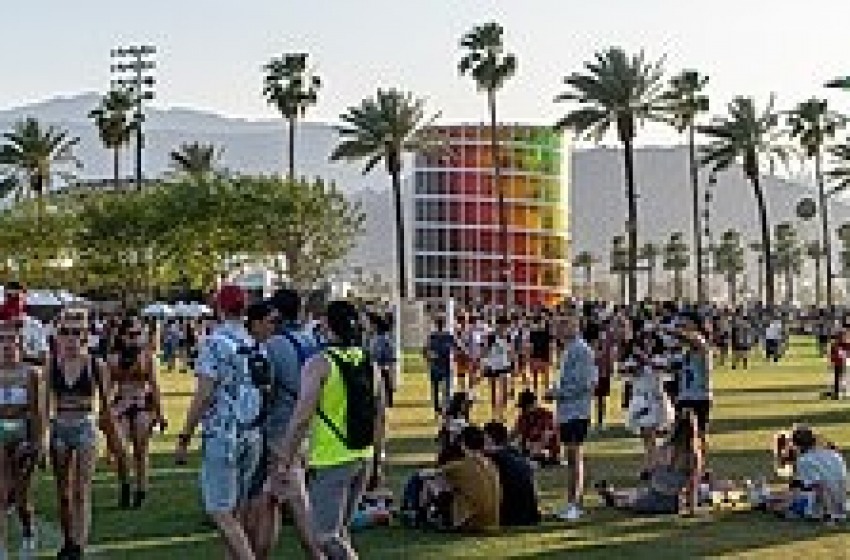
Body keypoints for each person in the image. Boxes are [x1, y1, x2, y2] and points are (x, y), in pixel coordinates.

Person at [268, 300, 382, 560]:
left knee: (324, 536)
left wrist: (285, 459)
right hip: (362, 455)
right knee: (340, 531)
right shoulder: (368, 362)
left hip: (332, 459)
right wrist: (378, 459)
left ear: (327, 325)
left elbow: (301, 417)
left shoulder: (320, 364)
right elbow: (379, 415)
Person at [175, 285, 265, 560]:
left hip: (223, 433)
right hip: (252, 431)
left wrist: (185, 435)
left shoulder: (214, 342)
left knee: (219, 510)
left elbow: (204, 393)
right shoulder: (255, 344)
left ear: (220, 308)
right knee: (236, 510)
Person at [242, 293, 323, 560]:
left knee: (297, 502)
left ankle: (319, 553)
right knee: (270, 500)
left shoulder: (274, 345)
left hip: (281, 431)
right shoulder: (310, 340)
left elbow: (266, 388)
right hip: (308, 428)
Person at [50, 313, 114, 560]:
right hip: (60, 427)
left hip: (85, 426)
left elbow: (107, 408)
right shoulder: (52, 365)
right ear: (58, 336)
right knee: (63, 492)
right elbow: (44, 405)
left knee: (82, 489)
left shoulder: (96, 365)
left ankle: (79, 545)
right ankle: (68, 540)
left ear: (85, 336)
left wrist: (112, 445)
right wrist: (42, 436)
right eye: (65, 332)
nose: (70, 338)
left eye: (76, 332)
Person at [106, 318, 166, 509]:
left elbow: (154, 386)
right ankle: (125, 485)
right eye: (132, 335)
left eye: (140, 334)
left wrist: (160, 413)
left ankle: (141, 490)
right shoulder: (113, 358)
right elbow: (108, 388)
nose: (136, 338)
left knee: (141, 450)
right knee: (121, 450)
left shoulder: (147, 357)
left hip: (142, 404)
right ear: (123, 336)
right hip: (121, 405)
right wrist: (106, 412)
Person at [597, 410, 702, 516]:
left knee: (633, 501)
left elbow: (651, 470)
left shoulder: (670, 450)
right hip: (667, 498)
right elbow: (692, 484)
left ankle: (612, 496)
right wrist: (691, 508)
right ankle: (612, 494)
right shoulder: (689, 454)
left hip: (663, 498)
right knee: (636, 495)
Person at [0, 320, 46, 558]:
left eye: (11, 340)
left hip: (23, 433)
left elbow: (38, 412)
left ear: (20, 344)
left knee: (21, 497)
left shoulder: (31, 373)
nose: (6, 345)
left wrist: (37, 443)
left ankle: (28, 534)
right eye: (1, 340)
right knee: (1, 492)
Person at [549, 314, 597, 521]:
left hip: (577, 411)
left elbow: (584, 384)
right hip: (568, 411)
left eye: (563, 324)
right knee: (571, 458)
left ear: (575, 327)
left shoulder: (581, 350)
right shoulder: (569, 350)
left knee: (574, 457)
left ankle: (575, 504)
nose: (558, 329)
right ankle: (571, 502)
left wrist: (557, 394)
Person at [768, 425, 848, 521]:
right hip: (841, 502)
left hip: (824, 505)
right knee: (782, 498)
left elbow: (820, 487)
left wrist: (830, 514)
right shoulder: (834, 454)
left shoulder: (804, 461)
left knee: (779, 505)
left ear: (794, 445)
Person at [438, 425, 501, 532]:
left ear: (462, 444)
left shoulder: (460, 465)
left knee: (435, 484)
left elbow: (428, 475)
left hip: (471, 523)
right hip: (493, 521)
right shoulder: (491, 464)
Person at [482, 422, 540, 526]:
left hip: (510, 517)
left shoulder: (491, 458)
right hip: (530, 515)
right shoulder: (515, 454)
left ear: (489, 438)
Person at [676, 314, 713, 454]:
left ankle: (701, 463)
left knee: (701, 432)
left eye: (687, 323)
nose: (683, 325)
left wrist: (662, 328)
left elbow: (690, 338)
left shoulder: (701, 343)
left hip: (700, 396)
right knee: (681, 433)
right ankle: (686, 461)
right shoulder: (685, 351)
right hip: (685, 396)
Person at [423, 316, 459, 417]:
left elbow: (424, 351)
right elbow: (425, 351)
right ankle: (441, 408)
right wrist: (429, 357)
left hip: (441, 366)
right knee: (441, 390)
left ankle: (440, 409)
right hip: (440, 366)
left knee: (438, 389)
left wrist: (429, 358)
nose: (440, 326)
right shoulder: (438, 337)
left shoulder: (442, 336)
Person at [512, 389, 560, 465]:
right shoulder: (522, 418)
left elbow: (548, 436)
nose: (524, 410)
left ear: (533, 405)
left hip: (546, 452)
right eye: (523, 407)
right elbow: (515, 434)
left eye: (526, 407)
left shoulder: (546, 416)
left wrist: (534, 447)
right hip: (529, 452)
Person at [480, 317, 514, 422]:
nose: (504, 328)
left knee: (504, 390)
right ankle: (494, 413)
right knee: (493, 391)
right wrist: (484, 363)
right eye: (502, 325)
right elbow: (485, 351)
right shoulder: (491, 336)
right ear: (498, 325)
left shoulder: (508, 337)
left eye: (506, 326)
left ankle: (502, 412)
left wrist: (513, 363)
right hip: (492, 366)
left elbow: (510, 351)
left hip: (504, 366)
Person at [527, 316, 553, 395]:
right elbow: (531, 346)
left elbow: (550, 346)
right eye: (538, 322)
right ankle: (535, 390)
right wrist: (530, 357)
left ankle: (546, 390)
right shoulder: (532, 333)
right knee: (535, 374)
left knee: (545, 374)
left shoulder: (547, 333)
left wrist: (550, 357)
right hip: (535, 356)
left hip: (545, 355)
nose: (540, 324)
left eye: (541, 322)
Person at [828, 328, 850, 400]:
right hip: (838, 363)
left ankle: (844, 393)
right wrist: (832, 362)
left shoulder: (847, 344)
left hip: (845, 363)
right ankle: (838, 393)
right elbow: (832, 354)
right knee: (838, 379)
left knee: (844, 378)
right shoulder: (835, 344)